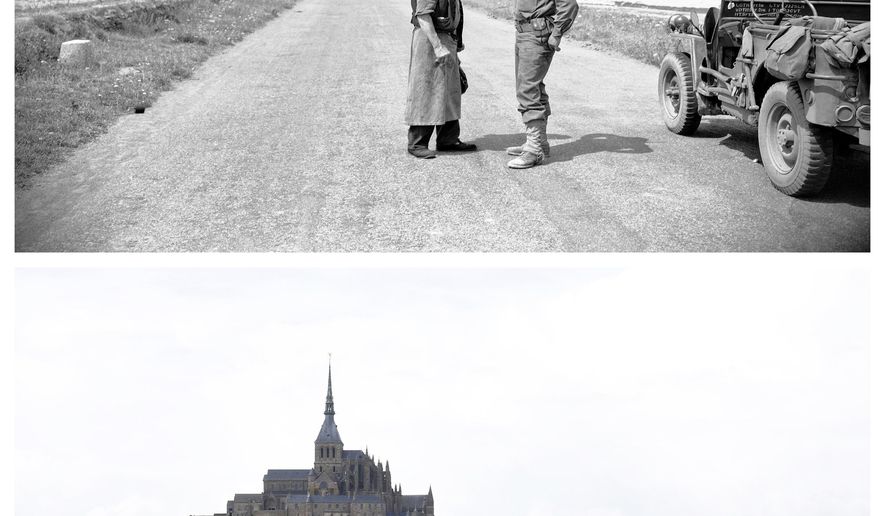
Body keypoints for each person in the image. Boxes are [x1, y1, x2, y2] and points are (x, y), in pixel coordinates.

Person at [506, 0, 578, 168]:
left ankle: (534, 149)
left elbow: (570, 4)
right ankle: (540, 143)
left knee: (527, 89)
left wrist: (557, 33)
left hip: (537, 34)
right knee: (533, 87)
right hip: (525, 31)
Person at [405, 0, 477, 159]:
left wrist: (456, 43)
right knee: (426, 92)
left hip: (446, 39)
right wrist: (437, 46)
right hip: (430, 40)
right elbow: (423, 15)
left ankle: (448, 140)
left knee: (450, 92)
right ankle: (417, 143)